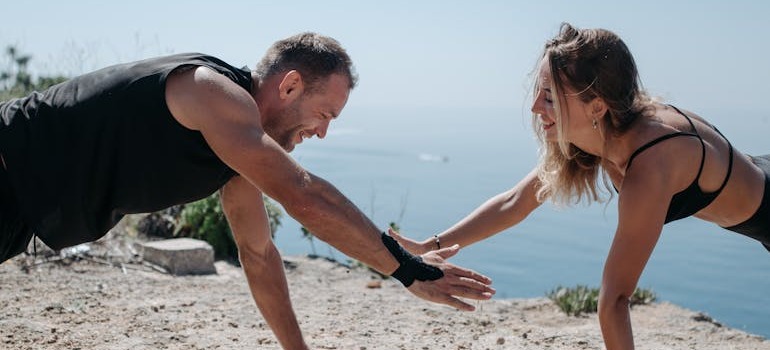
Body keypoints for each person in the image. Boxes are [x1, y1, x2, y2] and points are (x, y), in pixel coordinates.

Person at [0, 33, 495, 349]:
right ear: (290, 85)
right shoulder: (210, 91)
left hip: (19, 206)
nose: (322, 133)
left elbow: (258, 254)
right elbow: (303, 195)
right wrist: (405, 270)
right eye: (324, 114)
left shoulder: (236, 149)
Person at [390, 23, 769, 349]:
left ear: (596, 106)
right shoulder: (599, 134)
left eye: (550, 96)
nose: (536, 107)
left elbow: (615, 300)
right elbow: (515, 203)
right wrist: (430, 246)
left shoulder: (651, 163)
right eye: (538, 92)